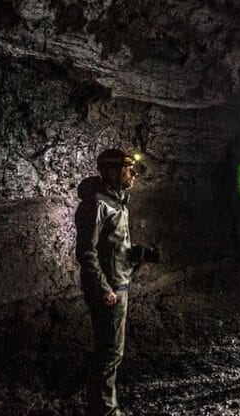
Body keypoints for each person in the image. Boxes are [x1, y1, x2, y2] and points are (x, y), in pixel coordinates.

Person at [75, 148, 159, 415]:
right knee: (110, 353)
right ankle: (105, 410)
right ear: (112, 171)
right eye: (127, 168)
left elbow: (112, 247)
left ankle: (100, 405)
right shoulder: (98, 204)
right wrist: (103, 288)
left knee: (111, 350)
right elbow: (87, 252)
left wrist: (137, 254)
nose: (133, 173)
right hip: (110, 289)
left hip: (119, 281)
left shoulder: (117, 201)